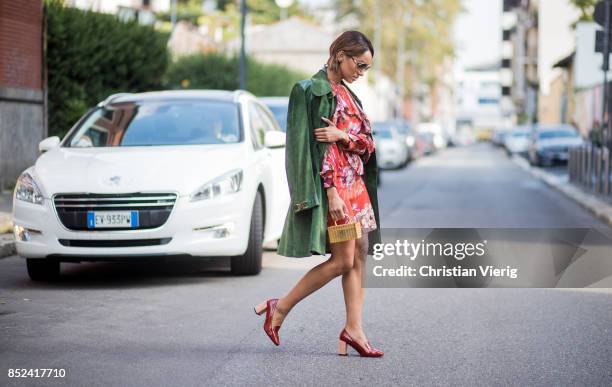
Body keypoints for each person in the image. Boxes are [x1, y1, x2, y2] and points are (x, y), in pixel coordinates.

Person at [253, 31, 383, 357]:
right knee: (342, 261)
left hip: (357, 189)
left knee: (358, 255)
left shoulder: (349, 95)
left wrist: (343, 135)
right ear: (339, 53)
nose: (361, 72)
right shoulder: (311, 91)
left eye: (366, 68)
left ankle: (354, 329)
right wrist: (330, 193)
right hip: (337, 190)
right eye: (359, 64)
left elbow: (367, 143)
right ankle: (279, 308)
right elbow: (311, 150)